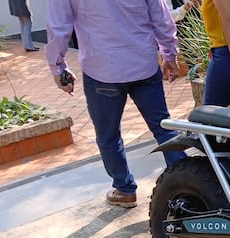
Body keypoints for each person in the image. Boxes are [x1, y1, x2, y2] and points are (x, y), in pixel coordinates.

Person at [45, 0, 187, 209]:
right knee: (164, 128)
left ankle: (124, 189)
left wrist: (58, 67)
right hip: (143, 64)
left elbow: (58, 28)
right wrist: (170, 53)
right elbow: (160, 17)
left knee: (108, 136)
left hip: (101, 70)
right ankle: (185, 190)